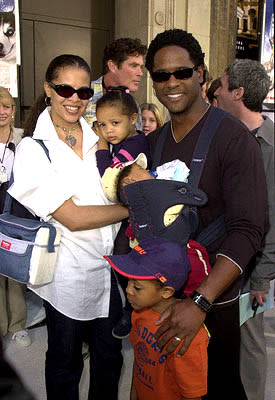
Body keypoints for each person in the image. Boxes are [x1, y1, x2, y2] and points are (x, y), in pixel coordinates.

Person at [143, 29, 267, 400]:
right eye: (161, 75)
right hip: (162, 299)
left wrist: (200, 302)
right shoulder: (155, 141)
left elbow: (249, 229)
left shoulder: (233, 138)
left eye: (181, 72)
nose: (172, 83)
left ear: (201, 73)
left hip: (212, 306)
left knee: (216, 389)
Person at [7, 54, 129, 400]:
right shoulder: (33, 149)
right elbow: (72, 217)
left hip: (109, 273)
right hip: (65, 277)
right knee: (65, 363)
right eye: (64, 89)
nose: (74, 98)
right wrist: (128, 209)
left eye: (82, 92)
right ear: (48, 89)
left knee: (110, 361)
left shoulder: (100, 136)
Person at [214, 58, 275, 400]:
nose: (216, 92)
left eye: (221, 86)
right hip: (223, 260)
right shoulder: (229, 135)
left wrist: (262, 277)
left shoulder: (270, 146)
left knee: (250, 346)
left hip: (251, 271)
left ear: (237, 93)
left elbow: (274, 217)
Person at [104, 237, 209, 400]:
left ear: (166, 292)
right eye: (129, 280)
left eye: (137, 287)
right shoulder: (139, 313)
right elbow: (139, 363)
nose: (128, 289)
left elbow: (192, 395)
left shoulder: (186, 338)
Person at [0, 87, 31, 347]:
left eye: (7, 106)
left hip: (14, 214)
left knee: (14, 269)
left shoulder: (22, 139)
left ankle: (18, 325)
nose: (2, 111)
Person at [84, 37, 147, 129]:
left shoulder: (133, 104)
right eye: (134, 66)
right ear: (112, 66)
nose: (140, 73)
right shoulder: (84, 94)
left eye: (141, 67)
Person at [95, 86, 150, 177]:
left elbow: (107, 175)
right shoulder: (124, 139)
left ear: (133, 119)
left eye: (115, 123)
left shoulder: (134, 147)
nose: (108, 130)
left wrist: (102, 143)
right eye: (102, 125)